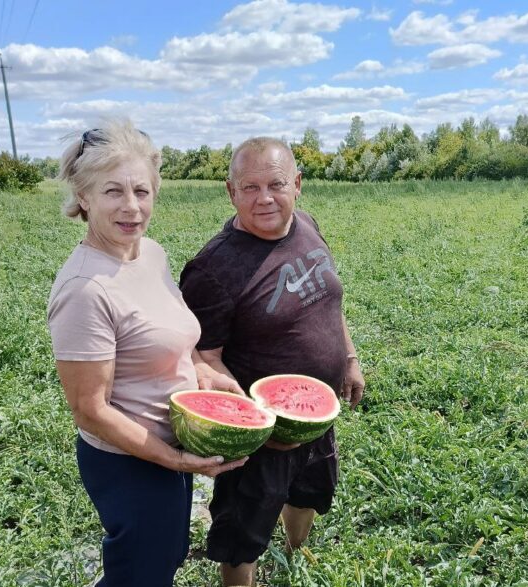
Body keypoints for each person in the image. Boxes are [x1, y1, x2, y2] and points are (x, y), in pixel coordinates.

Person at [47, 119, 246, 587]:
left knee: (167, 552)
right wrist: (173, 461)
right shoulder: (84, 289)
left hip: (171, 441)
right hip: (126, 460)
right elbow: (90, 410)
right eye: (113, 191)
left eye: (142, 190)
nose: (132, 207)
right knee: (141, 571)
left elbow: (171, 330)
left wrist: (200, 367)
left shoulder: (149, 253)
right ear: (83, 196)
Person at [179, 137, 365, 586]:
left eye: (276, 184)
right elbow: (202, 357)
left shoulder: (306, 225)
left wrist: (350, 357)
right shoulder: (212, 270)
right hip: (262, 441)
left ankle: (292, 557)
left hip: (318, 415)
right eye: (250, 187)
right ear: (230, 192)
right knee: (242, 536)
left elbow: (328, 303)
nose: (264, 198)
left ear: (297, 184)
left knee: (308, 496)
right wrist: (258, 423)